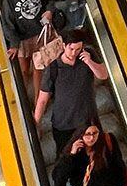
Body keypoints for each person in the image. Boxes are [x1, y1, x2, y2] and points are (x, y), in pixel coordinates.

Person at [33, 31, 108, 161]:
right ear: (63, 46)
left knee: (93, 156)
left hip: (88, 120)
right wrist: (36, 123)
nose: (74, 53)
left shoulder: (88, 54)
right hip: (64, 124)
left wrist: (89, 62)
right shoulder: (54, 68)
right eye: (71, 49)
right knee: (66, 158)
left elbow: (103, 75)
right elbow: (42, 100)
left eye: (78, 49)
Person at [0, 0, 53, 88]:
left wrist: (50, 10)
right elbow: (8, 21)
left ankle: (37, 102)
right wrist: (14, 44)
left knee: (38, 69)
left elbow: (49, 0)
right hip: (23, 38)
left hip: (40, 33)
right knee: (24, 70)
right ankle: (22, 97)